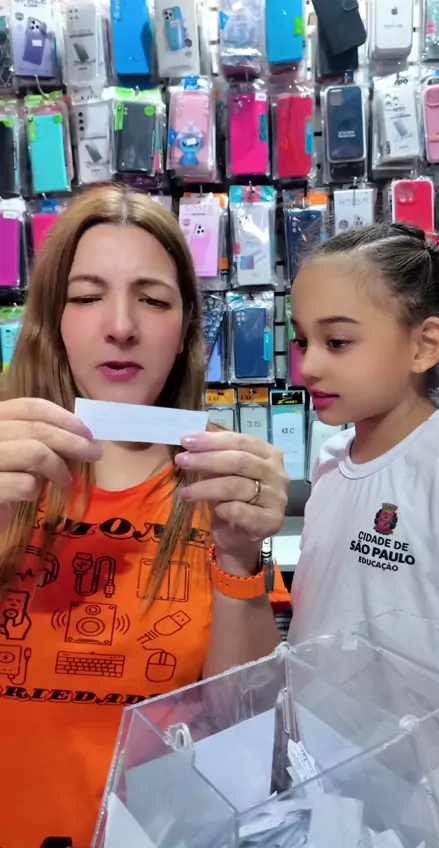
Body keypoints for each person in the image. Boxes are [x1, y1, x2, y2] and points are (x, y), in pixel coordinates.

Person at [0, 186, 289, 847]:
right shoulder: (8, 466)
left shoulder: (219, 485)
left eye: (153, 300)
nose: (121, 325)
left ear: (185, 328)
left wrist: (239, 556)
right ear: (52, 319)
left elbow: (242, 735)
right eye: (87, 296)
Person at [288, 222, 439, 645]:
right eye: (302, 341)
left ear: (424, 345)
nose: (308, 367)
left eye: (337, 341)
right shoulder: (331, 460)